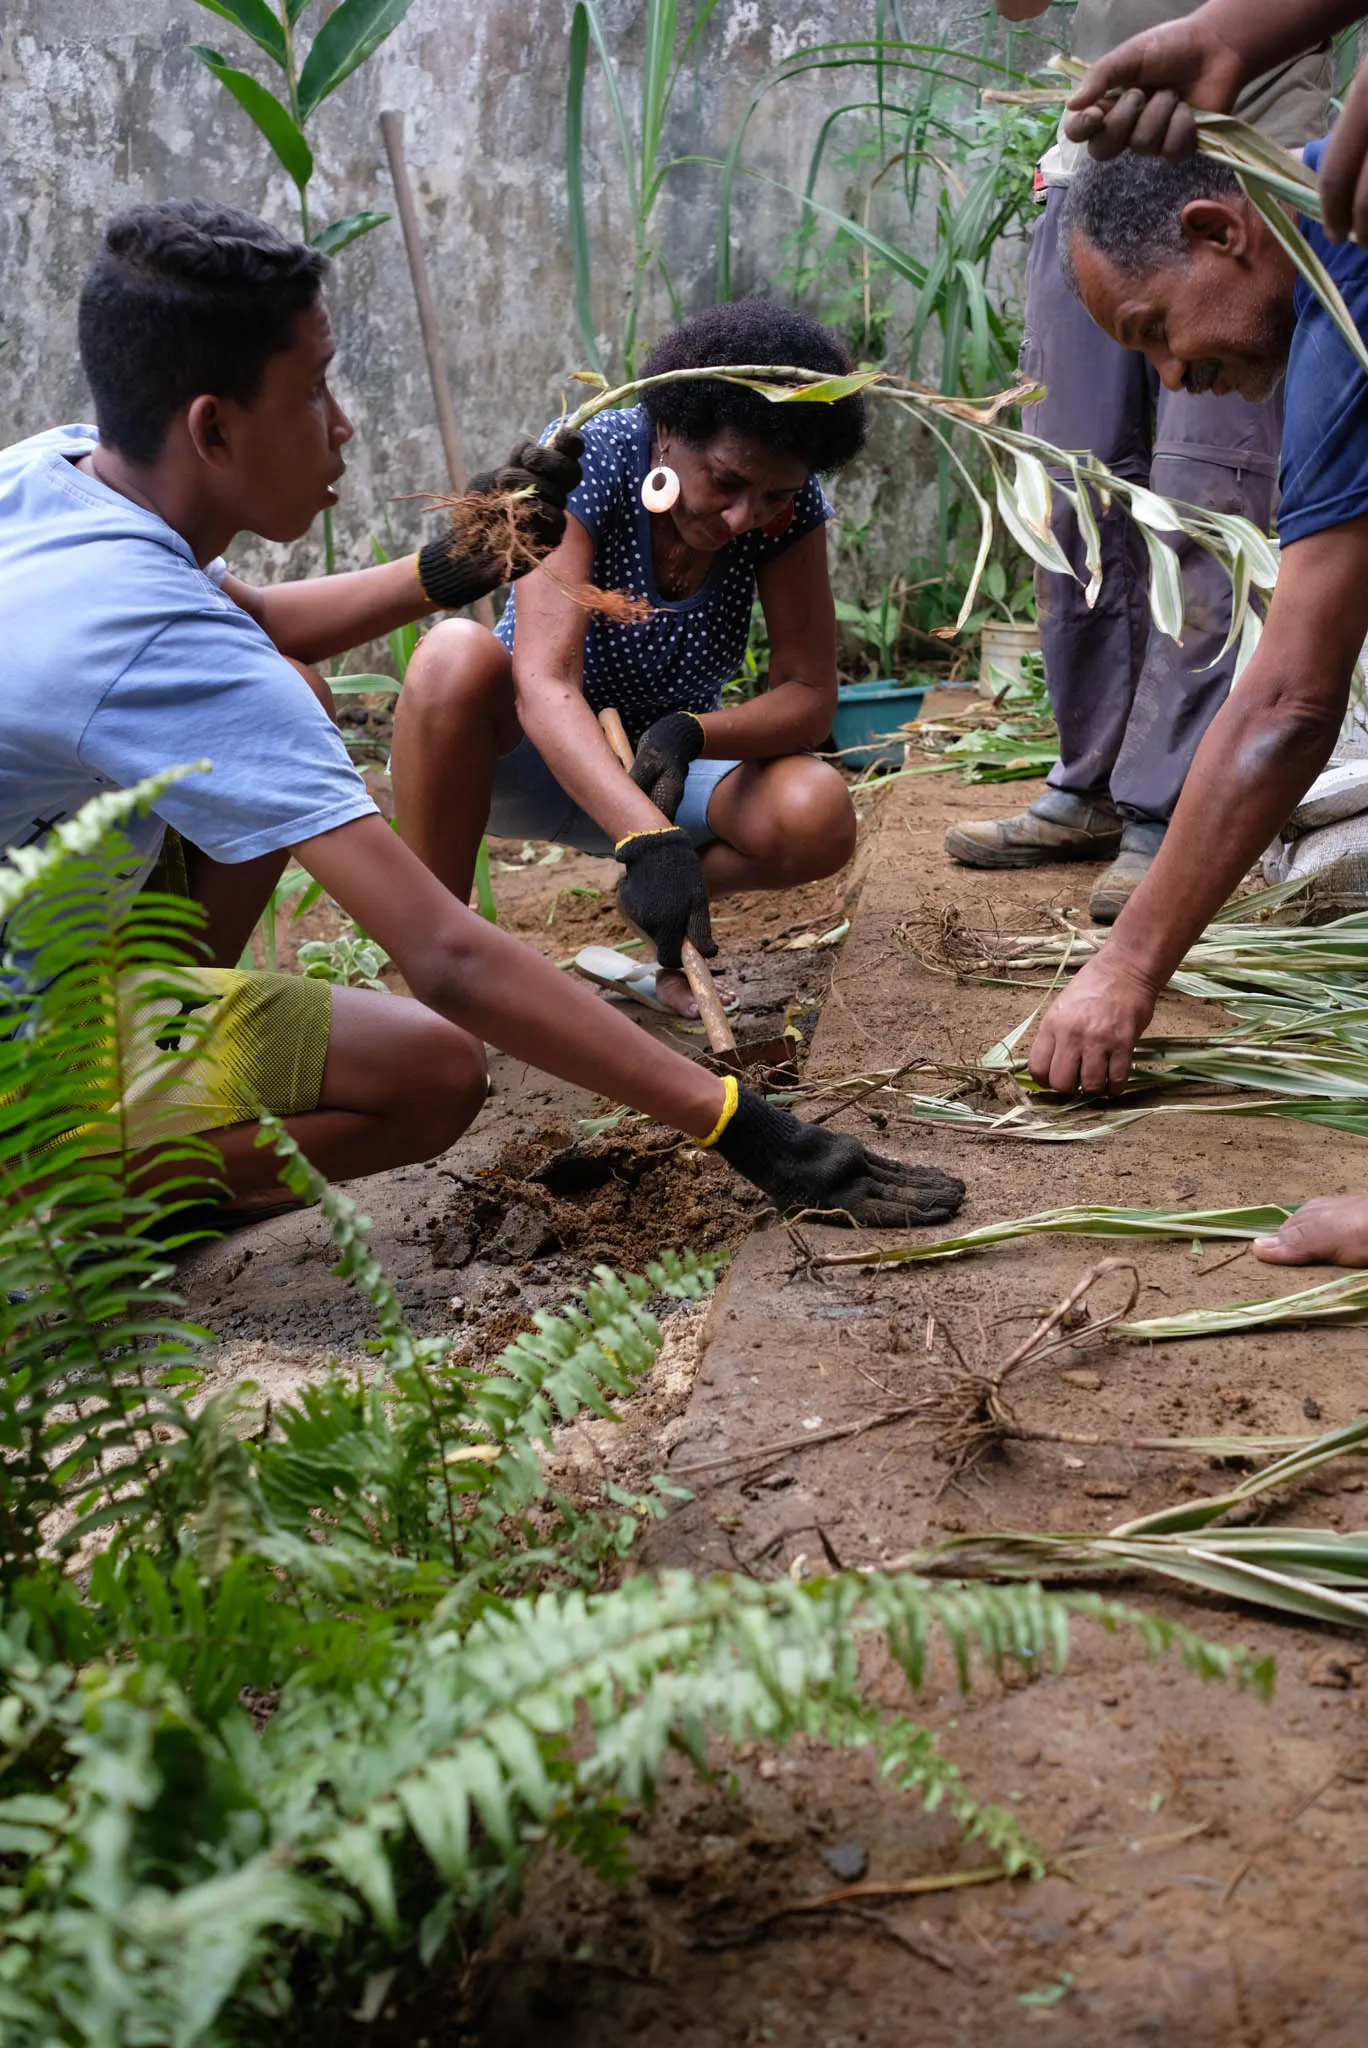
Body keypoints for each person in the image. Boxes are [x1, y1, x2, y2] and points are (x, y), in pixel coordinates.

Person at [1, 197, 965, 1233]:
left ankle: (139, 1102)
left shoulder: (52, 473)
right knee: (430, 1070)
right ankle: (58, 1198)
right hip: (28, 1028)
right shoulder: (172, 651)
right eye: (316, 391)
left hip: (42, 941)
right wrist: (742, 1123)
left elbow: (271, 618)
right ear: (213, 425)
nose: (344, 422)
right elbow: (448, 957)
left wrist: (456, 563)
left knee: (297, 693)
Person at [1020, 145, 1368, 1267]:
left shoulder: (1346, 305)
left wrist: (1125, 969)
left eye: (1155, 328)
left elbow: (1291, 702)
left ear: (1221, 234)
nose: (1172, 377)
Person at [945, 0, 1328, 924]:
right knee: (1071, 489)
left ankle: (1165, 807)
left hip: (1247, 155)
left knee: (1205, 502)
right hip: (1095, 178)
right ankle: (1089, 783)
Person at [390, 301, 863, 1020]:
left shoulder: (789, 508)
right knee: (452, 654)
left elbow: (808, 693)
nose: (746, 518)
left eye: (774, 495)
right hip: (524, 758)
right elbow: (544, 681)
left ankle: (667, 922)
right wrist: (645, 838)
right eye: (728, 482)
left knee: (816, 812)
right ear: (669, 431)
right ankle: (438, 970)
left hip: (662, 776)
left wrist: (688, 734)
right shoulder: (591, 456)